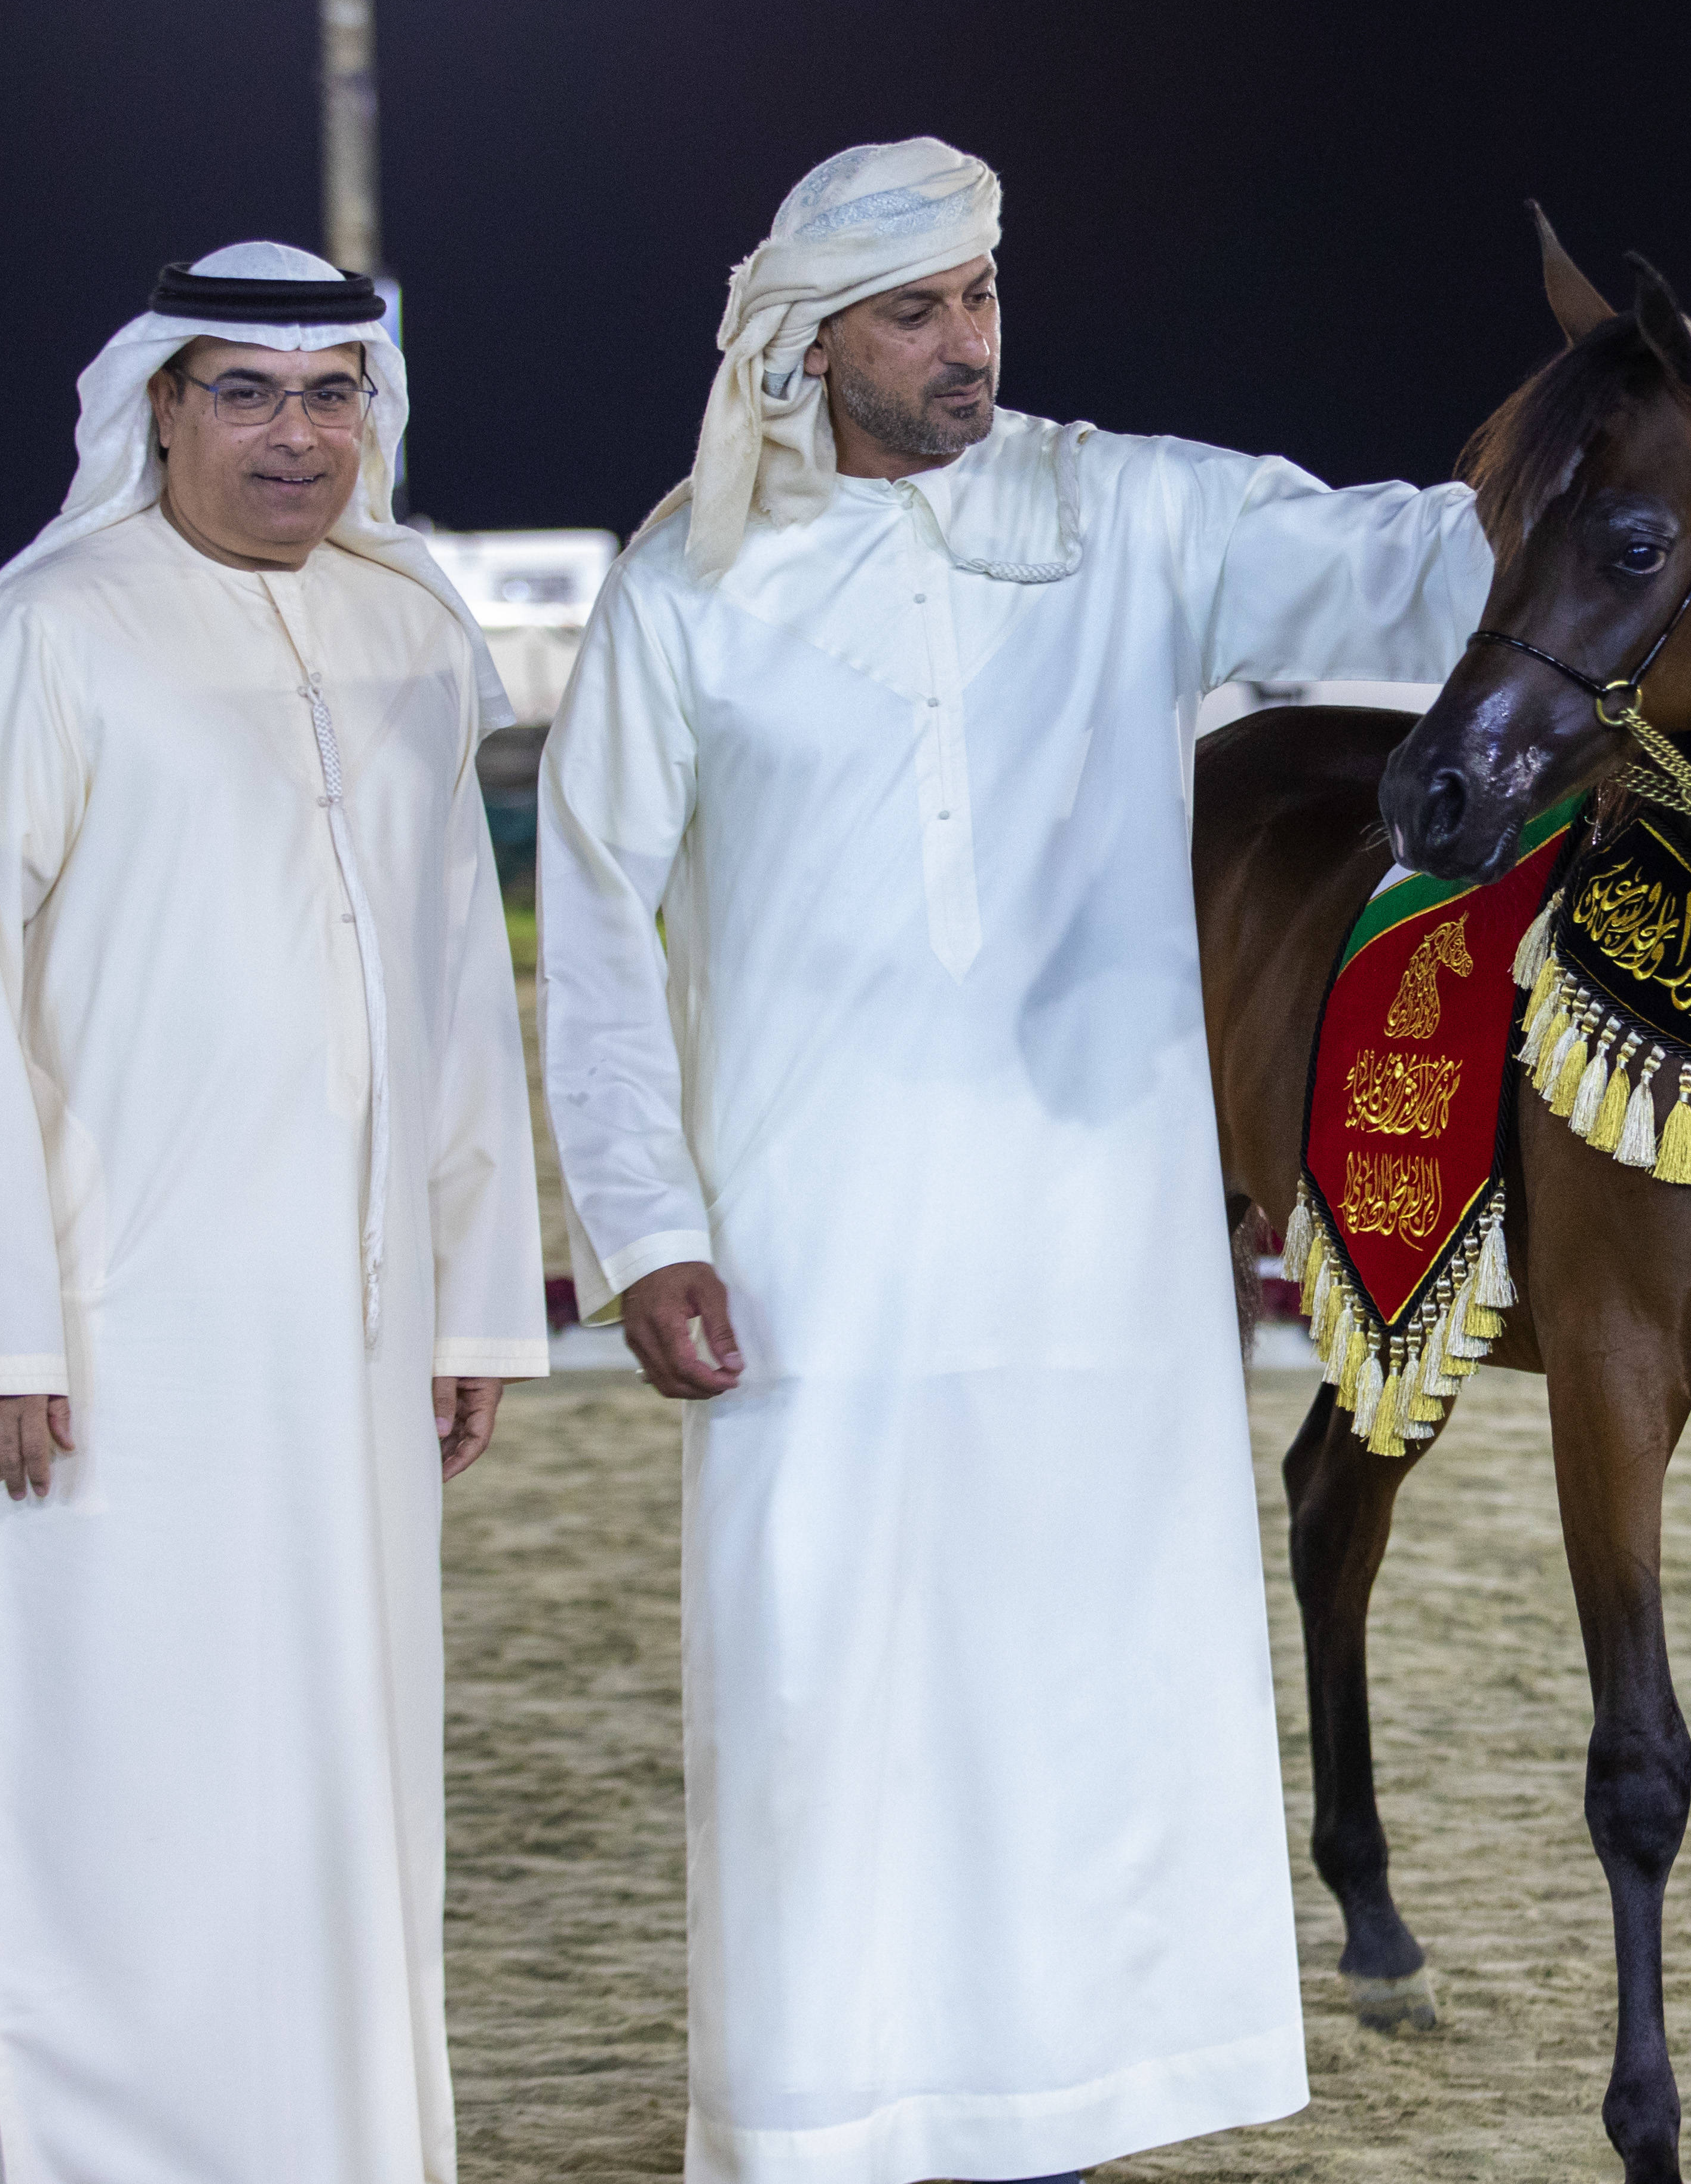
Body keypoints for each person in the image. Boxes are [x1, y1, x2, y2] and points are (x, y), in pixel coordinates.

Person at [540, 137, 1493, 2184]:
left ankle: (1048, 2128)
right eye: (915, 311)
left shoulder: (1123, 512)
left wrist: (1616, 458)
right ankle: (828, 2130)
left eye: (979, 294)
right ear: (807, 342)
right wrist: (643, 1222)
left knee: (1078, 1701)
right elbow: (598, 916)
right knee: (830, 1704)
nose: (966, 341)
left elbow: (1405, 563)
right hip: (814, 1260)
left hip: (1093, 1266)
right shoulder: (688, 582)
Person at [0, 243, 547, 2182]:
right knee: (122, 1781)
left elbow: (456, 984)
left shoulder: (412, 633)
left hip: (353, 1341)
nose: (293, 435)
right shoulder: (53, 630)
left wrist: (470, 1304)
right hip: (120, 1334)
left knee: (340, 1773)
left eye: (330, 392)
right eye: (245, 393)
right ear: (160, 409)